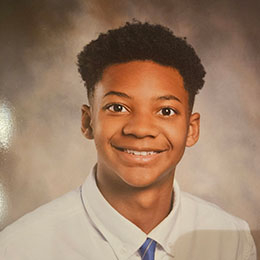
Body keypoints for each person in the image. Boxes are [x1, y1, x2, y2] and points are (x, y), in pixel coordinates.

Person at [0, 21, 256, 260]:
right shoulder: (22, 247)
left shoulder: (231, 241)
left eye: (166, 111)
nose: (141, 129)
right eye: (117, 107)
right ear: (87, 121)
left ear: (191, 129)